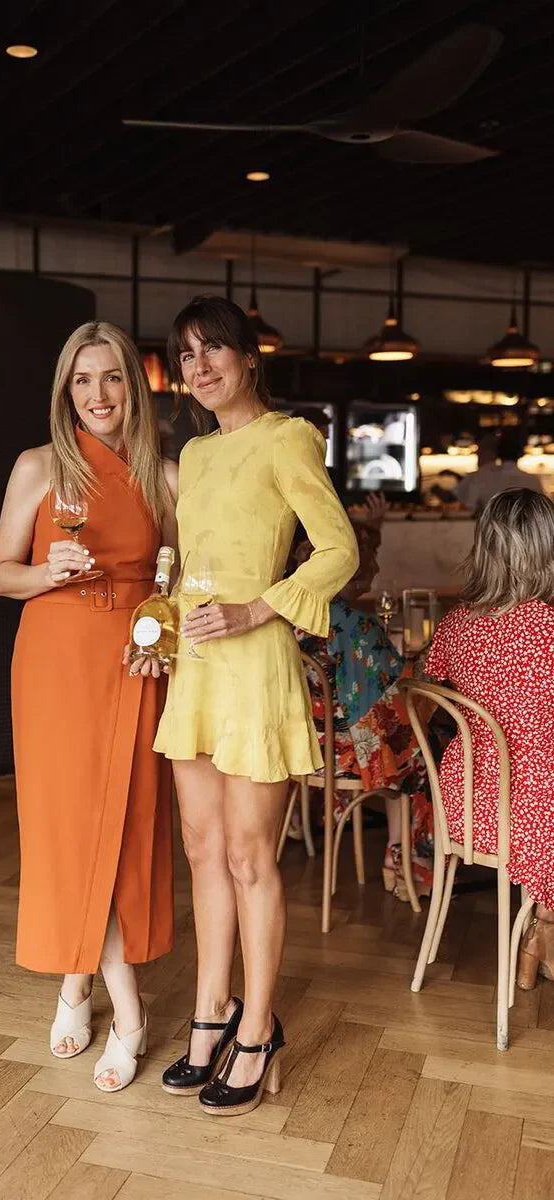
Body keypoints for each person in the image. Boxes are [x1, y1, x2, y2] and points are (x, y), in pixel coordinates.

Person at [153, 295, 358, 1116]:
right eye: (187, 357)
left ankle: (258, 1026)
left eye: (214, 352)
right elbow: (185, 558)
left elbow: (339, 547)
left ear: (247, 358)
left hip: (255, 666)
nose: (200, 370)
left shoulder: (288, 438)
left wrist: (257, 607)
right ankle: (210, 1014)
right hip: (195, 668)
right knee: (201, 853)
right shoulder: (195, 455)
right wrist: (157, 625)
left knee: (247, 859)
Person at [0, 321, 178, 1092]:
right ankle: (126, 1010)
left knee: (125, 829)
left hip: (130, 662)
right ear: (65, 391)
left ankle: (75, 986)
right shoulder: (37, 467)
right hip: (54, 664)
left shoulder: (165, 475)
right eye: (81, 381)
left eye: (112, 379)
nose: (97, 395)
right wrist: (45, 573)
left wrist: (162, 634)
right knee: (65, 829)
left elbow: (178, 580)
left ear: (135, 385)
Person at [424, 488, 554, 987]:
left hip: (467, 803)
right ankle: (542, 929)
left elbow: (429, 690)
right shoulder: (549, 626)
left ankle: (540, 934)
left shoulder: (456, 624)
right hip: (532, 811)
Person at [294, 524, 434, 901]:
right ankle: (401, 860)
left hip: (303, 745)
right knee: (421, 753)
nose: (372, 567)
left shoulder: (291, 616)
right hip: (342, 752)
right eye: (367, 558)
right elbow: (392, 690)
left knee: (402, 740)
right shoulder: (356, 625)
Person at [458, 429, 543, 510]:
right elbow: (542, 512)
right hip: (525, 525)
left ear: (497, 453)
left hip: (491, 524)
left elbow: (469, 506)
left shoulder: (482, 477)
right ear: (521, 454)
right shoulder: (533, 481)